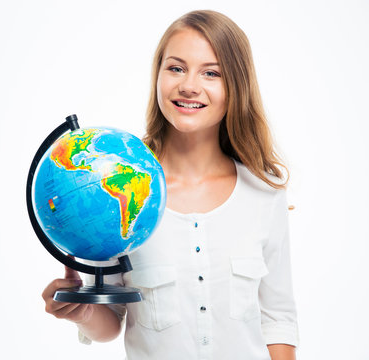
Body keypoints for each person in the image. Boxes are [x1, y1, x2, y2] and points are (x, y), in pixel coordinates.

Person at [42, 9, 299, 360]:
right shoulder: (119, 192)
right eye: (176, 68)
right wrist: (82, 309)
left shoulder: (264, 195)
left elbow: (278, 320)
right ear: (158, 76)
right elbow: (112, 322)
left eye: (211, 73)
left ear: (236, 86)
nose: (189, 85)